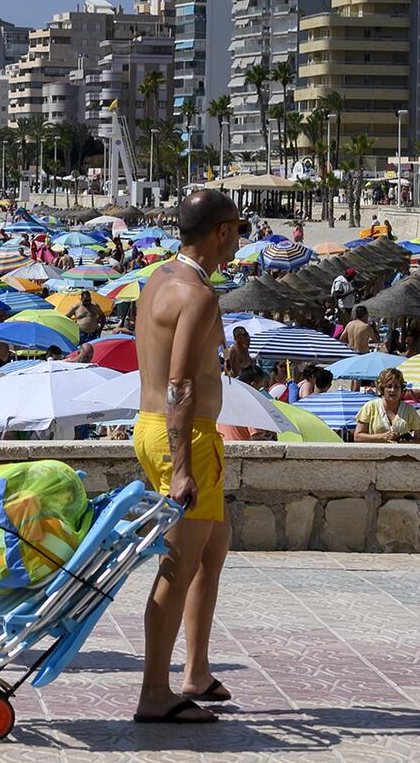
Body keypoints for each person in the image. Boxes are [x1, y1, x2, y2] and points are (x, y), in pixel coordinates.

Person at [130, 187, 241, 725]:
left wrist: (225, 360)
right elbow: (179, 385)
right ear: (221, 233)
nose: (240, 239)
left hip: (154, 427)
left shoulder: (157, 280)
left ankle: (195, 669)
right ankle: (155, 691)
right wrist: (180, 468)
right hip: (185, 437)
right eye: (238, 229)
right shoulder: (199, 296)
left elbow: (177, 368)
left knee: (211, 551)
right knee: (178, 566)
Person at [353, 368, 420, 444]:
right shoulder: (370, 407)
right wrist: (382, 436)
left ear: (401, 389)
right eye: (389, 386)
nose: (393, 390)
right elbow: (357, 437)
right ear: (382, 388)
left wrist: (407, 442)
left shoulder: (409, 410)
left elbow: (417, 440)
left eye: (396, 387)